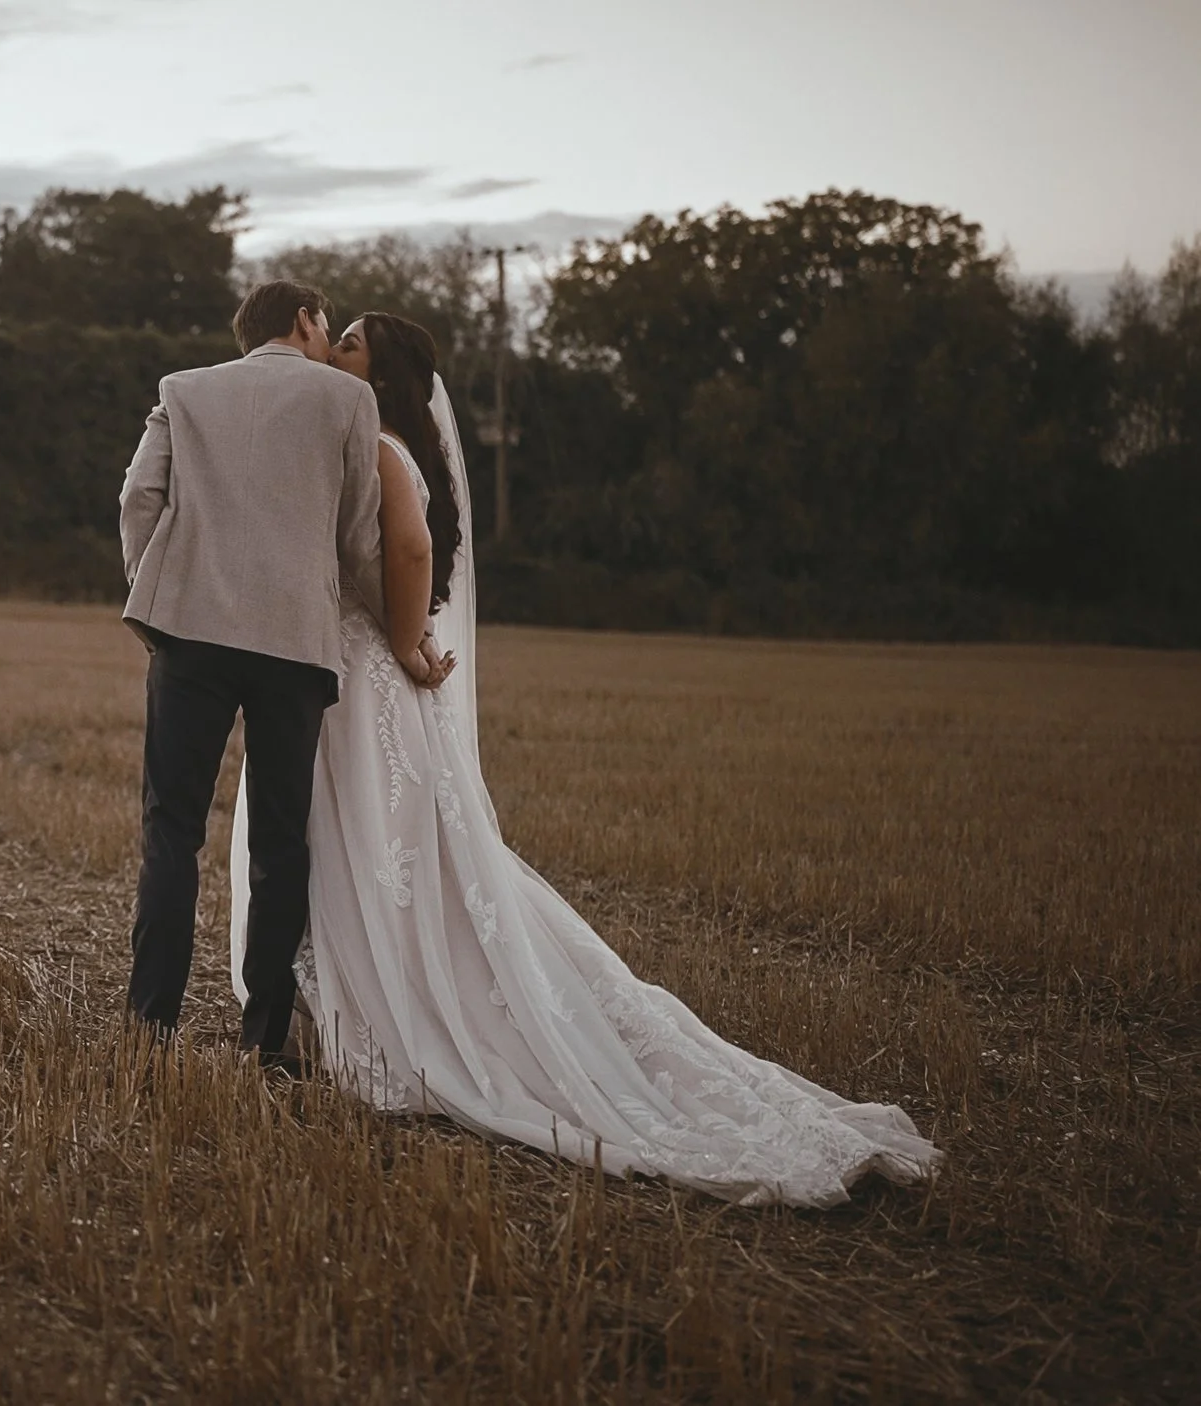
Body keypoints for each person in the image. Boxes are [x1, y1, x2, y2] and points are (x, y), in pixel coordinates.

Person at [225, 312, 942, 1206]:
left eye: (354, 344)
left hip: (366, 677)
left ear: (385, 372)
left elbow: (408, 551)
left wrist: (406, 645)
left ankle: (388, 1016)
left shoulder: (375, 441)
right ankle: (354, 1000)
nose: (337, 349)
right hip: (361, 673)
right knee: (387, 852)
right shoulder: (388, 441)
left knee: (375, 850)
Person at [116, 280, 433, 1061]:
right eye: (328, 326)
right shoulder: (345, 402)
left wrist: (152, 597)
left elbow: (137, 498)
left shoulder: (184, 391)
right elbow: (360, 537)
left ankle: (150, 1024)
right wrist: (404, 635)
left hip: (189, 635)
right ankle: (265, 1037)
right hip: (295, 646)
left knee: (171, 835)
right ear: (305, 320)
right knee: (282, 844)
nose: (331, 341)